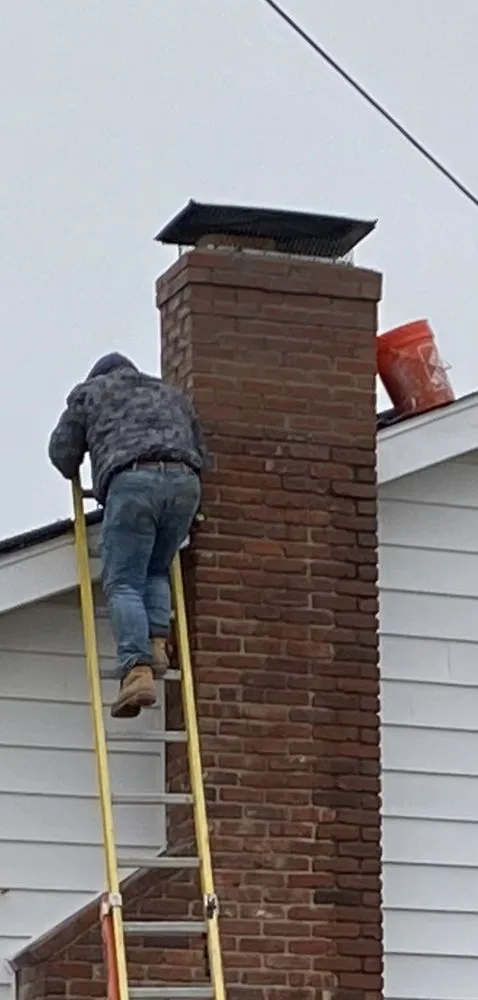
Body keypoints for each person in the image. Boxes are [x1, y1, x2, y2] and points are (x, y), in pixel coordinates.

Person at [48, 352, 205, 719]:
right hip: (186, 484)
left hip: (133, 481)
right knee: (155, 569)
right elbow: (201, 448)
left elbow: (63, 454)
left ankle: (137, 671)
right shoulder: (170, 393)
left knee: (124, 582)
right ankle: (156, 645)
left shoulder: (91, 392)